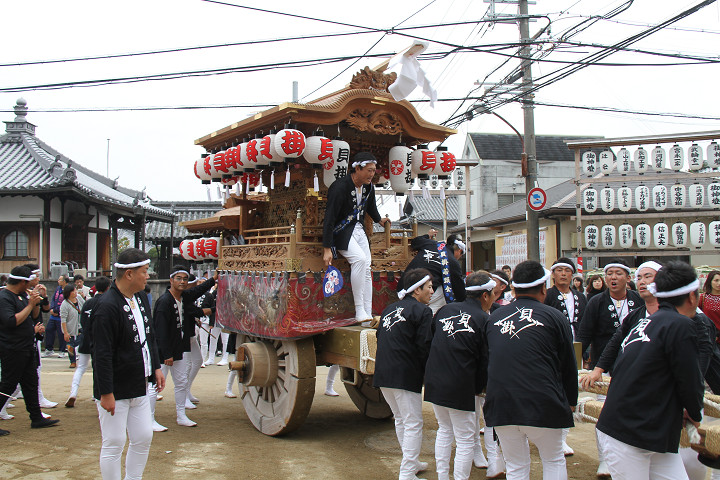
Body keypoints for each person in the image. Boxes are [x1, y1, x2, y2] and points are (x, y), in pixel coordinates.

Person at [582, 261, 719, 480]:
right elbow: (690, 378)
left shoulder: (650, 322)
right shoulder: (680, 324)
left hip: (648, 426)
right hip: (630, 431)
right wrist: (694, 412)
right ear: (692, 297)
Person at [483, 260, 578, 480]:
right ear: (544, 288)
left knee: (515, 465)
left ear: (514, 288)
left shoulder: (494, 317)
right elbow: (568, 364)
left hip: (502, 402)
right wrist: (571, 400)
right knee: (553, 459)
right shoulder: (555, 317)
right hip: (543, 400)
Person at [92, 248, 165, 480]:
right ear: (129, 274)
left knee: (143, 437)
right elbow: (101, 353)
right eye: (144, 271)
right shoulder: (106, 306)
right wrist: (106, 393)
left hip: (139, 381)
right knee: (114, 442)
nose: (148, 276)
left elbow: (149, 335)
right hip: (116, 385)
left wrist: (156, 366)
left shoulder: (140, 297)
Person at [577, 259, 643, 477]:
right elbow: (584, 333)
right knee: (603, 413)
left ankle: (631, 455)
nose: (613, 278)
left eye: (618, 273)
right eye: (610, 274)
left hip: (634, 364)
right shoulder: (596, 302)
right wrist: (576, 362)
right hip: (602, 365)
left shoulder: (638, 300)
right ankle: (605, 458)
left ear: (628, 278)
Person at [424, 272, 494, 480]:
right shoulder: (483, 319)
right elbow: (485, 360)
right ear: (485, 295)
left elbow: (432, 341)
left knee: (445, 430)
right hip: (461, 383)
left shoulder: (445, 310)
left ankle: (442, 476)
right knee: (464, 439)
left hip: (436, 379)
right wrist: (480, 388)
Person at [373, 268, 434, 480]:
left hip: (383, 372)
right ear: (417, 290)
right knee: (413, 423)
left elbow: (380, 337)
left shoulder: (389, 309)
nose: (432, 291)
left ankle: (412, 463)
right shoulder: (423, 311)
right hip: (405, 373)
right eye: (429, 287)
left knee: (401, 420)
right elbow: (424, 345)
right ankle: (407, 473)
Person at [322, 152, 390, 323]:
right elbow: (329, 218)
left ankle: (367, 311)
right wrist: (327, 248)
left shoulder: (368, 187)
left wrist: (379, 220)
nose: (372, 174)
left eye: (374, 170)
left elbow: (371, 207)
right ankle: (359, 310)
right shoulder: (339, 187)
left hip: (359, 229)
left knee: (367, 267)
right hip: (340, 232)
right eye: (369, 170)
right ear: (357, 168)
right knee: (360, 260)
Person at [151, 266, 215, 429]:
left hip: (180, 347)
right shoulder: (164, 302)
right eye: (178, 278)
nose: (182, 282)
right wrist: (167, 353)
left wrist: (213, 279)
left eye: (185, 279)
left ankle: (181, 415)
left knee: (181, 382)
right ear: (171, 280)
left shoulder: (184, 297)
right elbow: (160, 331)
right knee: (155, 385)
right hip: (164, 351)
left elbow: (197, 290)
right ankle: (148, 419)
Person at [0, 266, 60, 436]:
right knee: (8, 384)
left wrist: (35, 302)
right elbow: (11, 321)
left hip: (26, 347)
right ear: (21, 282)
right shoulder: (4, 297)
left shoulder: (21, 296)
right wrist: (30, 304)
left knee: (31, 383)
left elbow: (34, 316)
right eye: (28, 283)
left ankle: (36, 417)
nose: (30, 286)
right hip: (13, 348)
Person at [543, 258, 586, 458]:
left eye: (566, 271)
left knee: (570, 385)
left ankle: (563, 435)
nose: (563, 274)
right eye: (559, 270)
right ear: (553, 274)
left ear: (572, 274)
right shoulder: (548, 295)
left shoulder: (580, 297)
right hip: (554, 347)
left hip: (575, 343)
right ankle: (555, 435)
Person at [66, 276, 111, 408]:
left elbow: (83, 321)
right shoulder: (106, 303)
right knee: (98, 368)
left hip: (85, 339)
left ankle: (73, 393)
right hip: (98, 341)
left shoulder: (88, 303)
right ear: (108, 288)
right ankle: (97, 394)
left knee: (81, 368)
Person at [397, 230, 466, 314]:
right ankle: (431, 315)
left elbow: (414, 242)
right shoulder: (452, 262)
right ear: (459, 251)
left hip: (401, 288)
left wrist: (427, 235)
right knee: (447, 289)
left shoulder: (431, 244)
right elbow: (459, 291)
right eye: (461, 254)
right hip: (417, 294)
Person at [60, 283, 85, 368]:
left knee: (83, 337)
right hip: (70, 327)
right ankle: (73, 361)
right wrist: (65, 332)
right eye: (73, 291)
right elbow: (63, 319)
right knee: (69, 344)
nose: (75, 292)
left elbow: (85, 306)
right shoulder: (65, 304)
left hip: (80, 324)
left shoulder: (79, 298)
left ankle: (74, 347)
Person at [44, 274, 68, 357]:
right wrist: (52, 309)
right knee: (49, 330)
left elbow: (65, 302)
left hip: (61, 316)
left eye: (60, 280)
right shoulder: (58, 288)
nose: (58, 281)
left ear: (64, 281)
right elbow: (54, 299)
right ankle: (49, 349)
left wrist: (56, 310)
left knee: (61, 333)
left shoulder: (68, 290)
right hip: (53, 315)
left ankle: (62, 350)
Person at [701, 270, 720, 341]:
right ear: (710, 281)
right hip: (709, 337)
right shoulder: (702, 298)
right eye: (716, 280)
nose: (719, 283)